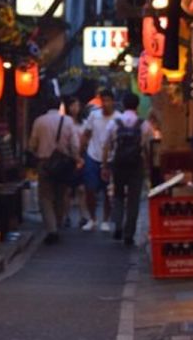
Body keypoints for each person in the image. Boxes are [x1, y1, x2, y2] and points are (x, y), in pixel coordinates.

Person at [28, 93, 79, 244]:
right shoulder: (68, 121)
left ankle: (52, 229)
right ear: (59, 107)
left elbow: (32, 144)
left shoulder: (39, 122)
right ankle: (58, 222)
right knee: (60, 194)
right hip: (63, 163)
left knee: (45, 197)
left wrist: (36, 152)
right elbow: (74, 145)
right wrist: (76, 158)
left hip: (45, 163)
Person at [104, 92, 153, 245]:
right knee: (134, 200)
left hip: (118, 165)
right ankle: (129, 234)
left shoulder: (114, 123)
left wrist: (104, 165)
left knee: (118, 196)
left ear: (123, 105)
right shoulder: (144, 124)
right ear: (137, 106)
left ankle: (118, 226)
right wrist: (148, 167)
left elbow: (106, 146)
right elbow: (148, 148)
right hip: (136, 165)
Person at [79, 88, 120, 232]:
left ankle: (106, 219)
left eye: (108, 100)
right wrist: (80, 153)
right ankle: (92, 218)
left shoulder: (118, 118)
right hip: (92, 155)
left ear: (113, 102)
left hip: (110, 159)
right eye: (103, 100)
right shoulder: (94, 115)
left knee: (107, 191)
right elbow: (86, 134)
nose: (106, 103)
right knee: (90, 189)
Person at [62, 95, 88, 228]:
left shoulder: (83, 123)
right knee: (66, 189)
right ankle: (65, 216)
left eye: (77, 105)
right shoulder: (64, 122)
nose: (75, 108)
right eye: (72, 105)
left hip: (81, 158)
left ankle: (83, 216)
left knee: (81, 189)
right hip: (68, 159)